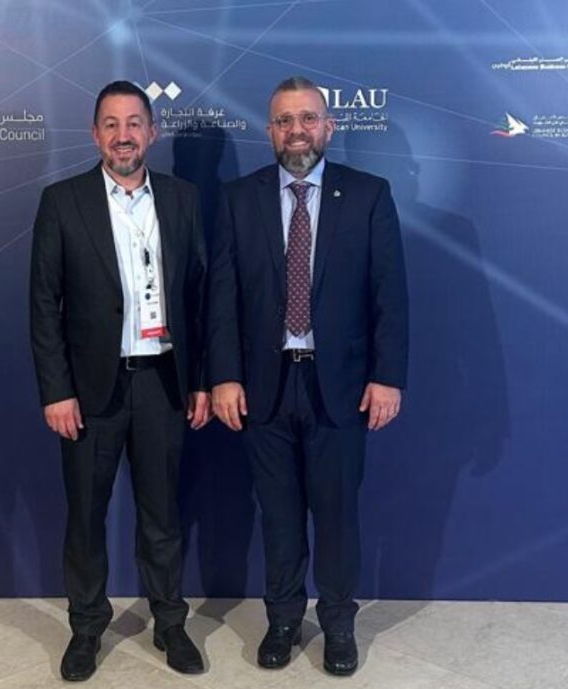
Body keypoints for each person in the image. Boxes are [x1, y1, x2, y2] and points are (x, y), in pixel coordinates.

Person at [206, 76, 408, 676]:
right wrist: (223, 376)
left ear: (328, 126)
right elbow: (222, 297)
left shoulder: (368, 195)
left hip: (340, 388)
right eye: (284, 120)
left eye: (308, 119)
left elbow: (389, 296)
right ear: (270, 130)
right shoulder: (238, 199)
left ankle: (339, 624)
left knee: (337, 515)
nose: (297, 131)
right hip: (264, 387)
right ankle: (284, 619)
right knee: (279, 514)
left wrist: (387, 377)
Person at [30, 80, 210, 681]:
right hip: (89, 393)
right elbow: (43, 304)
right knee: (86, 517)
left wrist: (202, 380)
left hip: (163, 382)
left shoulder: (183, 199)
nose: (123, 135)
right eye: (111, 124)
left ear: (152, 133)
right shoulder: (62, 201)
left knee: (162, 516)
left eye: (134, 123)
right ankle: (86, 629)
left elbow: (200, 297)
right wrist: (56, 390)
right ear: (94, 134)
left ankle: (170, 623)